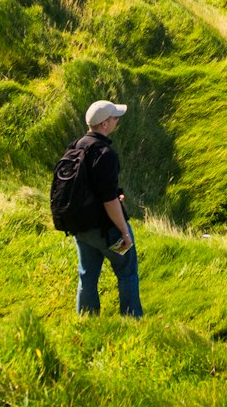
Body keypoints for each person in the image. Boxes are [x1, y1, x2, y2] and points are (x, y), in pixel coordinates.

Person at [67, 100, 142, 317]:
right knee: (127, 272)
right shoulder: (105, 153)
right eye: (114, 117)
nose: (117, 120)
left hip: (81, 226)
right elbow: (109, 201)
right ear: (104, 124)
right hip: (104, 227)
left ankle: (87, 320)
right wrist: (124, 232)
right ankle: (132, 321)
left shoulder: (76, 146)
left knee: (87, 275)